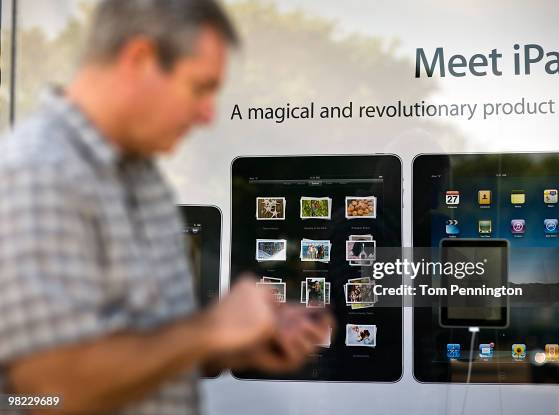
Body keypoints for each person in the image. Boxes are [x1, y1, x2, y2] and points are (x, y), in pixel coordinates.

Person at [0, 1, 333, 414]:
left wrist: (235, 346)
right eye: (200, 87)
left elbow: (141, 349)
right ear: (138, 59)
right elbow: (47, 391)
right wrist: (211, 328)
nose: (208, 115)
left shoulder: (141, 178)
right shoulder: (40, 172)